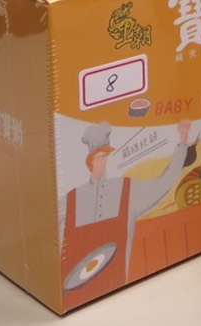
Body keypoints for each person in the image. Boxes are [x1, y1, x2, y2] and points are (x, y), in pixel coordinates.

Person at [58, 120, 192, 301]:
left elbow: (164, 183)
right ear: (90, 161)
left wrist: (183, 139)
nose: (104, 161)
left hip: (116, 288)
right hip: (70, 293)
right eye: (100, 157)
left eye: (106, 156)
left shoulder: (125, 188)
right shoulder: (72, 197)